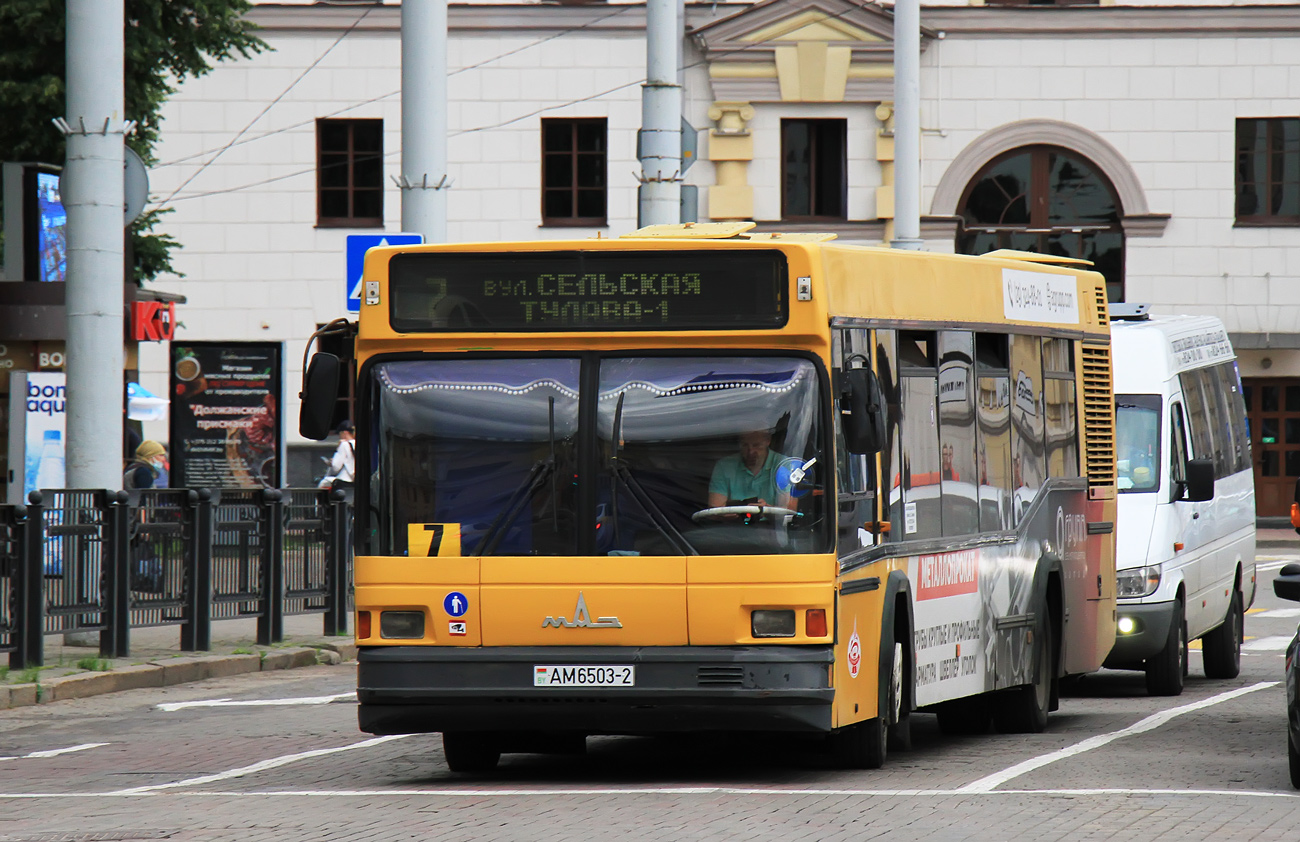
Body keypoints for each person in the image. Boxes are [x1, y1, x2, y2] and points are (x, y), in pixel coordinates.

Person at [707, 429, 793, 511]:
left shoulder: (785, 465)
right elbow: (714, 509)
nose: (751, 451)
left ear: (768, 441)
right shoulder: (724, 466)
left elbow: (789, 510)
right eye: (745, 445)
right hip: (733, 524)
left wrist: (766, 510)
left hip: (772, 525)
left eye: (756, 445)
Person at [321, 420, 356, 489]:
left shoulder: (344, 444)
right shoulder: (358, 443)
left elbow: (336, 467)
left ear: (345, 433)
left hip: (345, 479)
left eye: (340, 434)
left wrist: (331, 462)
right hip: (356, 479)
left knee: (323, 482)